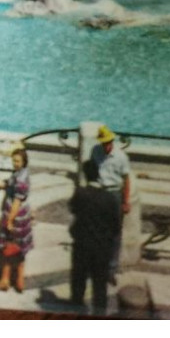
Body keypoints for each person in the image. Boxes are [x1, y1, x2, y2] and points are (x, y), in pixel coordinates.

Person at [69, 158, 121, 316]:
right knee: (100, 287)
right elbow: (116, 226)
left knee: (78, 283)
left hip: (82, 245)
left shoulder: (81, 193)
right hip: (102, 248)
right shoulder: (110, 198)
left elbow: (73, 209)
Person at [88, 126, 132, 278]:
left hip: (114, 194)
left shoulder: (121, 157)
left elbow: (126, 180)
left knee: (114, 233)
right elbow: (92, 173)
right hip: (100, 192)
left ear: (112, 141)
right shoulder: (95, 151)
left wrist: (126, 201)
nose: (106, 145)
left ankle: (111, 269)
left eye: (108, 142)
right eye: (103, 142)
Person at [0, 147, 34, 293]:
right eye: (13, 160)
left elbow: (16, 201)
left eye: (17, 161)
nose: (15, 163)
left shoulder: (21, 179)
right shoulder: (22, 174)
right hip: (23, 216)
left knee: (8, 248)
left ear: (24, 162)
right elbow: (10, 185)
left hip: (15, 216)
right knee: (20, 249)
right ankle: (19, 281)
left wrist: (10, 220)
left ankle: (5, 280)